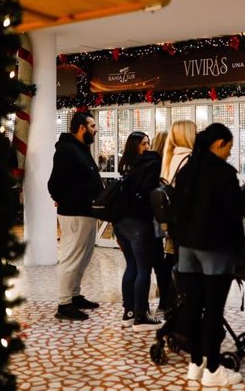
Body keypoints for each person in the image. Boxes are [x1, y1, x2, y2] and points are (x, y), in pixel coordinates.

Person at [172, 123, 245, 387]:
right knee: (214, 310)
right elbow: (237, 209)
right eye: (229, 147)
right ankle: (214, 370)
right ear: (218, 143)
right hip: (215, 248)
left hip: (186, 248)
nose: (230, 153)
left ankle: (196, 364)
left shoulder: (187, 170)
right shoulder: (222, 173)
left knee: (194, 307)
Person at [47, 112, 104, 321]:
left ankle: (75, 294)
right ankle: (64, 304)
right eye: (92, 125)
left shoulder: (81, 149)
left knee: (84, 256)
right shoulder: (67, 151)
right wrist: (61, 198)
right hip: (74, 213)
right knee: (72, 257)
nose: (95, 129)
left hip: (86, 212)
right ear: (81, 127)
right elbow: (54, 183)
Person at [114, 131, 164, 331]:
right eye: (144, 143)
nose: (147, 147)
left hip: (121, 222)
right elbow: (148, 193)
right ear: (135, 145)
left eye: (149, 143)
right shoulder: (149, 166)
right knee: (143, 269)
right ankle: (141, 317)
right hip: (138, 222)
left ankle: (129, 313)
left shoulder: (125, 166)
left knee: (132, 267)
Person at [160, 121, 197, 279]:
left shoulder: (170, 157)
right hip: (188, 220)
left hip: (174, 220)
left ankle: (173, 298)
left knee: (176, 260)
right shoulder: (189, 158)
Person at [149, 131, 170, 316]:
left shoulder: (147, 163)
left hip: (149, 222)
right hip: (155, 223)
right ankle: (165, 302)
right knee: (161, 265)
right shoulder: (159, 166)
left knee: (152, 265)